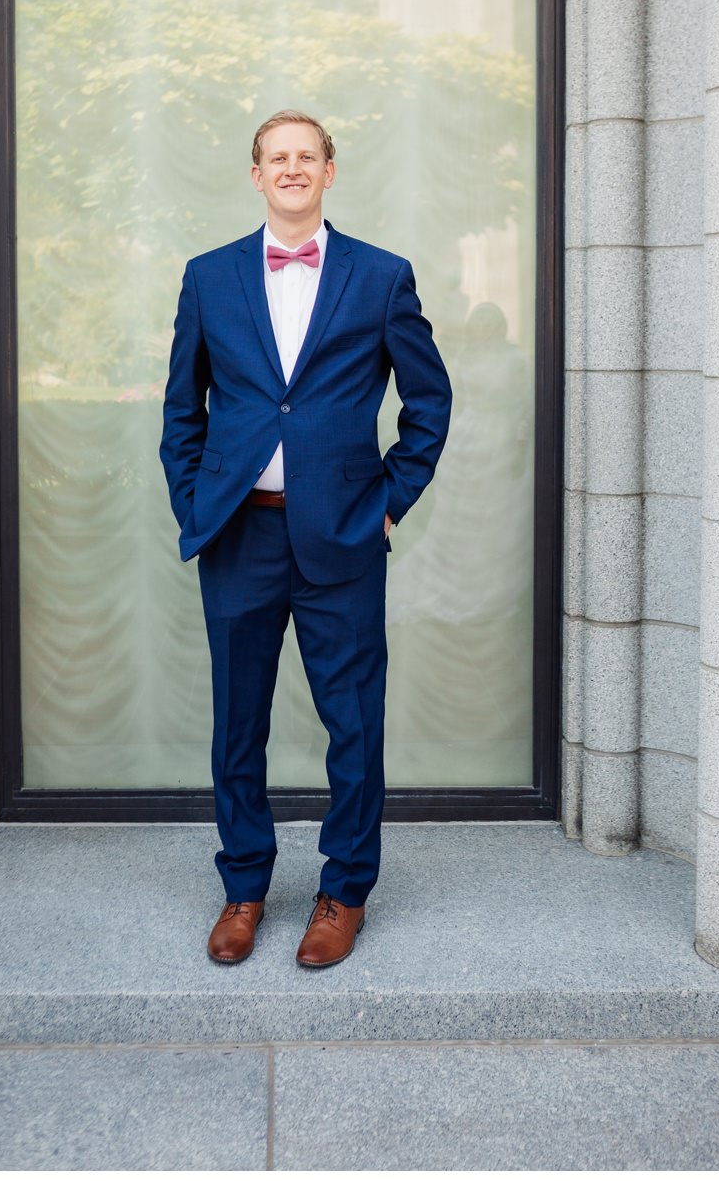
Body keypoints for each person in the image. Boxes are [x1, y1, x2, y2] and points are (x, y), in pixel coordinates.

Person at [158, 111, 450, 970]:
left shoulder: (383, 276)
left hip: (344, 537)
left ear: (330, 171)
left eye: (306, 157)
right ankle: (244, 885)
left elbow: (428, 403)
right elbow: (183, 409)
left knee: (353, 722)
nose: (291, 169)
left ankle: (343, 892)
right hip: (240, 535)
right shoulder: (209, 278)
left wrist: (389, 503)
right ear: (257, 175)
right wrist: (197, 503)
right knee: (237, 722)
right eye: (276, 158)